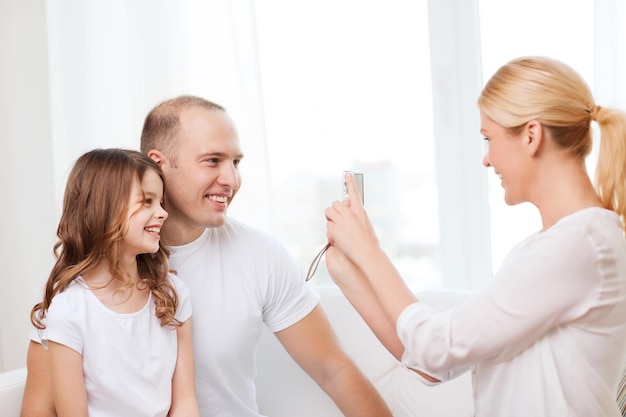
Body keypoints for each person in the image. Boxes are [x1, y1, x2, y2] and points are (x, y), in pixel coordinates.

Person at [21, 97, 392, 417]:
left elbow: (333, 369)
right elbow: (40, 406)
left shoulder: (259, 255)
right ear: (159, 164)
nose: (232, 180)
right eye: (213, 160)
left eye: (236, 162)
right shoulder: (80, 285)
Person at [324, 56, 626, 417]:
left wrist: (369, 250)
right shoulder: (549, 248)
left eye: (489, 138)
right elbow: (433, 363)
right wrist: (349, 272)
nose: (486, 159)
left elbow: (435, 347)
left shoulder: (580, 244)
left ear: (531, 135)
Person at [24, 149, 199, 417]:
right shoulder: (69, 309)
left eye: (161, 202)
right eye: (148, 201)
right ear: (103, 210)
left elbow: (185, 402)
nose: (163, 213)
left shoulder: (172, 293)